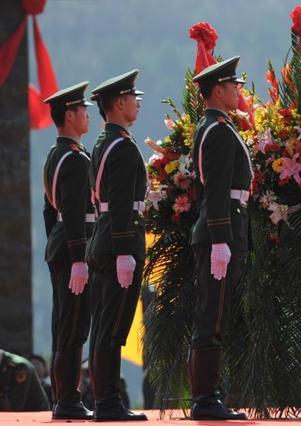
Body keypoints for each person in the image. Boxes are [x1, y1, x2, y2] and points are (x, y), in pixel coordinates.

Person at [188, 57, 251, 420]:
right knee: (211, 314)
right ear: (217, 91)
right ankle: (205, 399)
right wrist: (220, 239)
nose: (238, 90)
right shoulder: (217, 130)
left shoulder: (220, 126)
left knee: (217, 312)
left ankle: (209, 394)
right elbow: (214, 189)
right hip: (221, 232)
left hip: (226, 228)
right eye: (233, 85)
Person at [87, 70, 147, 421]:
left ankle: (105, 399)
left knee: (104, 325)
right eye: (132, 98)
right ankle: (107, 402)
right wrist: (126, 249)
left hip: (105, 239)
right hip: (117, 242)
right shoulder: (122, 147)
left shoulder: (104, 141)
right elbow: (122, 202)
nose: (137, 104)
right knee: (111, 326)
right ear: (119, 103)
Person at [41, 82, 95, 420]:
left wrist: (56, 242)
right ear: (70, 115)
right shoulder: (74, 160)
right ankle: (68, 400)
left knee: (63, 323)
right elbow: (74, 211)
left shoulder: (55, 154)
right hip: (75, 245)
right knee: (74, 326)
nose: (88, 116)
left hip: (60, 242)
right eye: (83, 111)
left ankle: (63, 397)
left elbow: (51, 211)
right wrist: (78, 256)